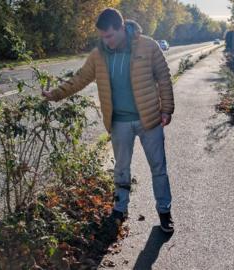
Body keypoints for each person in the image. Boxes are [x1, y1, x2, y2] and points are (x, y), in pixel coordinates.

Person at [42, 8, 175, 233]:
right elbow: (80, 79)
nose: (107, 41)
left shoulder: (148, 46)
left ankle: (164, 212)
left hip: (150, 119)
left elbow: (163, 77)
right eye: (103, 37)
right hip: (119, 123)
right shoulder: (99, 54)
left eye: (110, 36)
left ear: (122, 28)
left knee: (158, 168)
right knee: (121, 169)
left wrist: (167, 109)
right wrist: (55, 94)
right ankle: (120, 208)